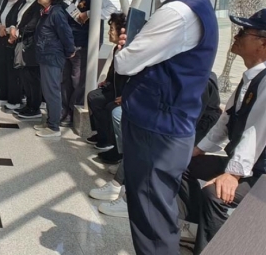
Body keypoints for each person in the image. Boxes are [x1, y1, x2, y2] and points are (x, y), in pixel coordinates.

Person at [114, 0, 219, 255]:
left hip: (156, 131)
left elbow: (125, 63)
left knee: (152, 224)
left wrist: (127, 47)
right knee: (155, 215)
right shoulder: (195, 4)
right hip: (166, 128)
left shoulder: (178, 11)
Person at [178, 9, 266, 254]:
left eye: (244, 32)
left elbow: (256, 132)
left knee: (216, 194)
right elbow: (226, 120)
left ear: (264, 43)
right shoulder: (252, 77)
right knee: (184, 164)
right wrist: (198, 150)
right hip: (249, 166)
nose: (236, 36)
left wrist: (233, 174)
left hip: (262, 174)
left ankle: (214, 249)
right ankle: (194, 228)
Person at [95, 73, 222, 220]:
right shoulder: (181, 70)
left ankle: (130, 201)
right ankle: (121, 184)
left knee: (150, 148)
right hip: (176, 121)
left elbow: (191, 116)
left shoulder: (198, 77)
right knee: (140, 139)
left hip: (194, 126)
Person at [62, 0, 119, 127]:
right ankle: (65, 111)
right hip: (73, 42)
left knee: (78, 80)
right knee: (68, 79)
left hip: (84, 43)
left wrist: (89, 13)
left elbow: (111, 9)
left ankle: (73, 112)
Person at [33, 0, 75, 138]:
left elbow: (66, 33)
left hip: (52, 57)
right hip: (45, 56)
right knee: (48, 90)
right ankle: (50, 120)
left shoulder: (56, 13)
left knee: (52, 91)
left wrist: (70, 50)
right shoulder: (47, 11)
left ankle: (53, 126)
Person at [13, 0, 51, 120]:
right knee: (25, 74)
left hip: (33, 43)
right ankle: (29, 104)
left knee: (32, 76)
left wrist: (20, 31)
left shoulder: (42, 0)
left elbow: (34, 22)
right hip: (24, 41)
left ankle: (34, 107)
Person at [86, 12, 128, 151]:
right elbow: (112, 70)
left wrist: (126, 95)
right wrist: (106, 81)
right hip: (113, 88)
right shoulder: (116, 48)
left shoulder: (128, 51)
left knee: (108, 105)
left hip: (122, 92)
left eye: (112, 29)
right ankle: (101, 134)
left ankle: (110, 141)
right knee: (92, 96)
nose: (109, 33)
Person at [0, 0, 28, 109]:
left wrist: (5, 30)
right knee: (1, 68)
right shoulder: (5, 1)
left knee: (13, 71)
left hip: (13, 40)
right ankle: (2, 97)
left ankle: (14, 100)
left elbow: (19, 22)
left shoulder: (22, 2)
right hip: (2, 39)